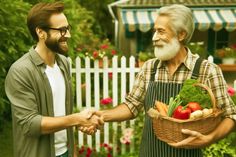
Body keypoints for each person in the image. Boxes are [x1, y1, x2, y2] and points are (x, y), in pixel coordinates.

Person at [81, 4, 236, 157]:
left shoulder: (206, 70)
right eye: (155, 31)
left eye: (161, 32)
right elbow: (131, 106)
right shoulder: (150, 67)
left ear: (181, 34)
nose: (154, 38)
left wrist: (209, 139)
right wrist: (101, 115)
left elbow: (231, 115)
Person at [5, 2, 103, 157]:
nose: (68, 35)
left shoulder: (63, 63)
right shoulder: (20, 71)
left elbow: (63, 113)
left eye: (67, 28)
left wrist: (73, 149)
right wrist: (77, 119)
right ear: (40, 32)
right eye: (62, 30)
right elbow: (30, 124)